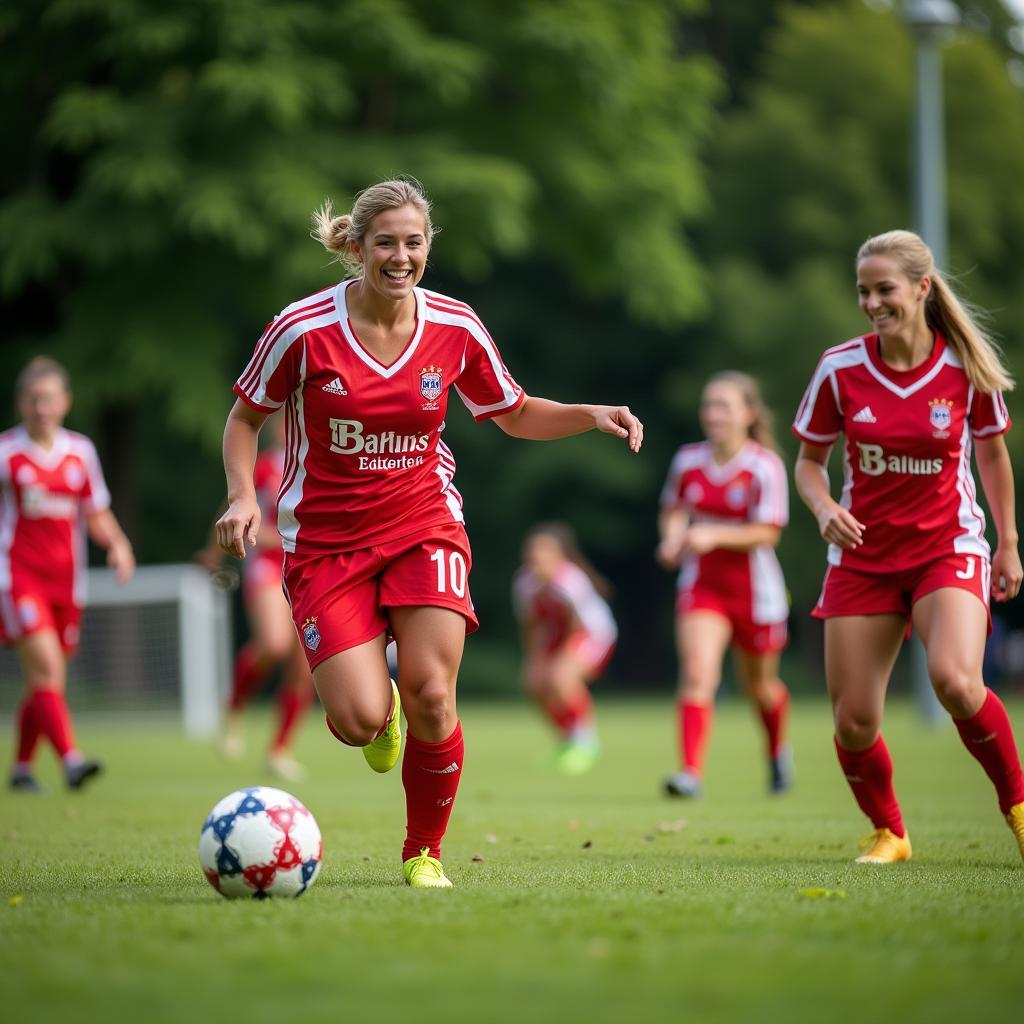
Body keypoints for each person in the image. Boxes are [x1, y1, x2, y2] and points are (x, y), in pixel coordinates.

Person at [215, 178, 643, 888]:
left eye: (414, 242)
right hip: (325, 542)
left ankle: (424, 852)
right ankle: (380, 716)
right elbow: (243, 419)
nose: (401, 255)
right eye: (385, 242)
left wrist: (588, 413)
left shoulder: (455, 325)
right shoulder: (301, 329)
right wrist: (239, 498)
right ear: (356, 247)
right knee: (356, 720)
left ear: (427, 247)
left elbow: (512, 410)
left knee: (434, 693)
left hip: (425, 524)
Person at [793, 229, 1024, 865]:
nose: (871, 302)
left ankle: (1019, 808)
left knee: (955, 679)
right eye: (863, 291)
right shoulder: (839, 368)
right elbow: (809, 462)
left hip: (946, 548)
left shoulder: (964, 367)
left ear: (922, 288)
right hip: (863, 558)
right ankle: (890, 833)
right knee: (853, 722)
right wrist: (824, 507)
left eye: (884, 289)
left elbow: (993, 454)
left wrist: (1008, 544)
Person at [2, 357, 135, 792]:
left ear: (65, 402)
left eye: (50, 399)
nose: (42, 408)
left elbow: (95, 512)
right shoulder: (7, 454)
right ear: (22, 403)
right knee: (46, 667)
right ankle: (71, 761)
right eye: (34, 400)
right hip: (18, 577)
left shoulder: (80, 452)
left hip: (66, 583)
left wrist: (117, 544)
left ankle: (21, 769)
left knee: (45, 680)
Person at [657, 372, 791, 798]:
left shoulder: (764, 466)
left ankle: (775, 753)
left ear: (748, 414)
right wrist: (673, 538)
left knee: (760, 688)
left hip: (757, 594)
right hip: (703, 587)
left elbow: (768, 532)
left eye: (724, 406)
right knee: (698, 674)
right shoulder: (687, 460)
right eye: (709, 405)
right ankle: (690, 773)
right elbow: (673, 509)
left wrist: (713, 534)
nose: (713, 414)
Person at [198, 414, 315, 781]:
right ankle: (233, 709)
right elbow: (239, 508)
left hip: (314, 569)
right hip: (269, 566)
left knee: (306, 665)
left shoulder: (329, 464)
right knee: (275, 644)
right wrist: (214, 553)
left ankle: (280, 750)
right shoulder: (267, 466)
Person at [513, 523, 617, 775]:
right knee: (534, 683)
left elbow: (578, 626)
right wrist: (534, 659)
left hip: (593, 634)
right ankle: (569, 741)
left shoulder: (570, 581)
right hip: (556, 636)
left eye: (544, 552)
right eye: (533, 552)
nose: (536, 558)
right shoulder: (524, 583)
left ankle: (587, 743)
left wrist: (561, 661)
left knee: (562, 679)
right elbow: (530, 626)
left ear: (559, 556)